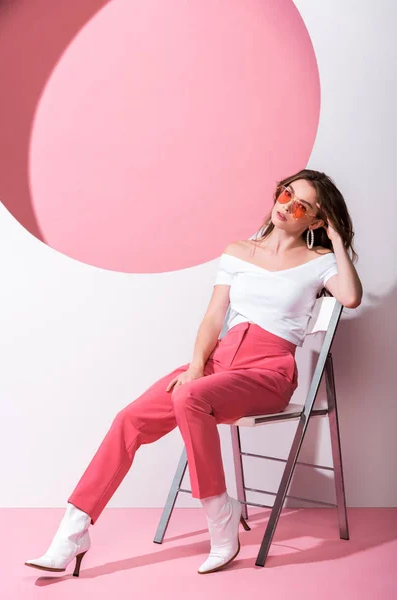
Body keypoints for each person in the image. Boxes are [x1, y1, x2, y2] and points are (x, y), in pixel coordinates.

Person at [24, 169, 362, 576]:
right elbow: (213, 317)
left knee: (189, 397)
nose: (285, 206)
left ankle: (221, 521)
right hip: (219, 362)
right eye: (285, 193)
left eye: (300, 205)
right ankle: (73, 531)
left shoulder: (317, 261)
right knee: (130, 418)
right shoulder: (239, 251)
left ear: (315, 220)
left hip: (269, 371)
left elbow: (350, 297)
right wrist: (198, 367)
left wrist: (338, 239)